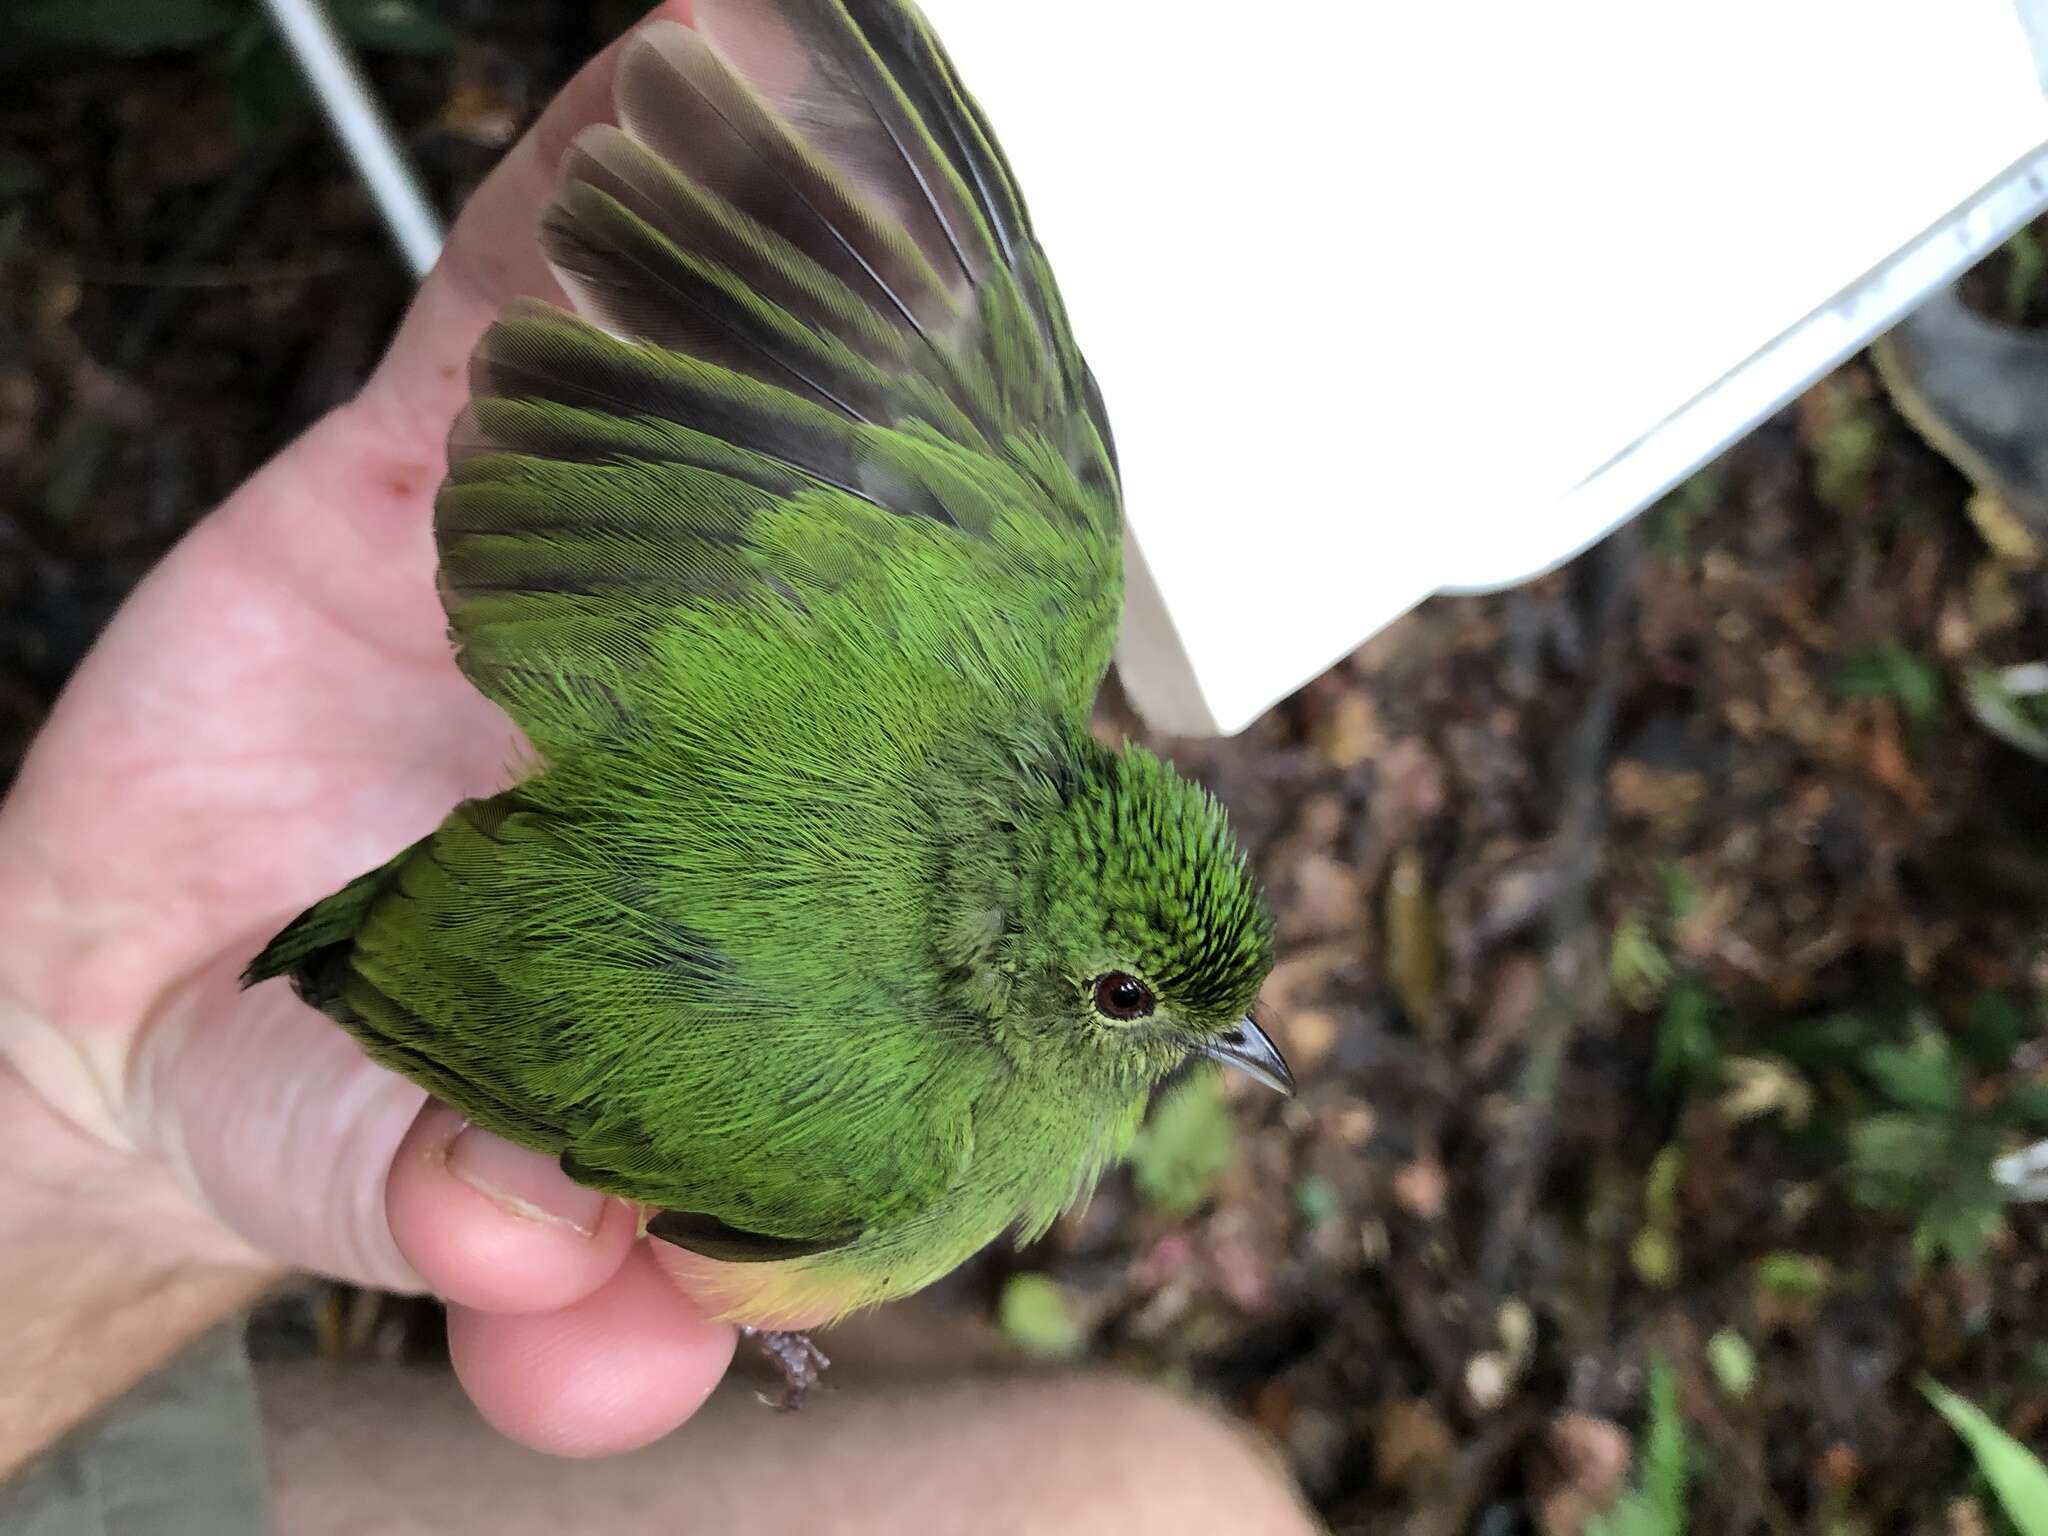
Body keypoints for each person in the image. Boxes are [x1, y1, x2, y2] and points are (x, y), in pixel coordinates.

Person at [0, 7, 1319, 1530]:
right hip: (457, 967)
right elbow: (415, 982)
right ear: (1039, 974)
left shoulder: (1016, 588)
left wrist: (110, 1117)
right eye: (1135, 1002)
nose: (1221, 1045)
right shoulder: (888, 1145)